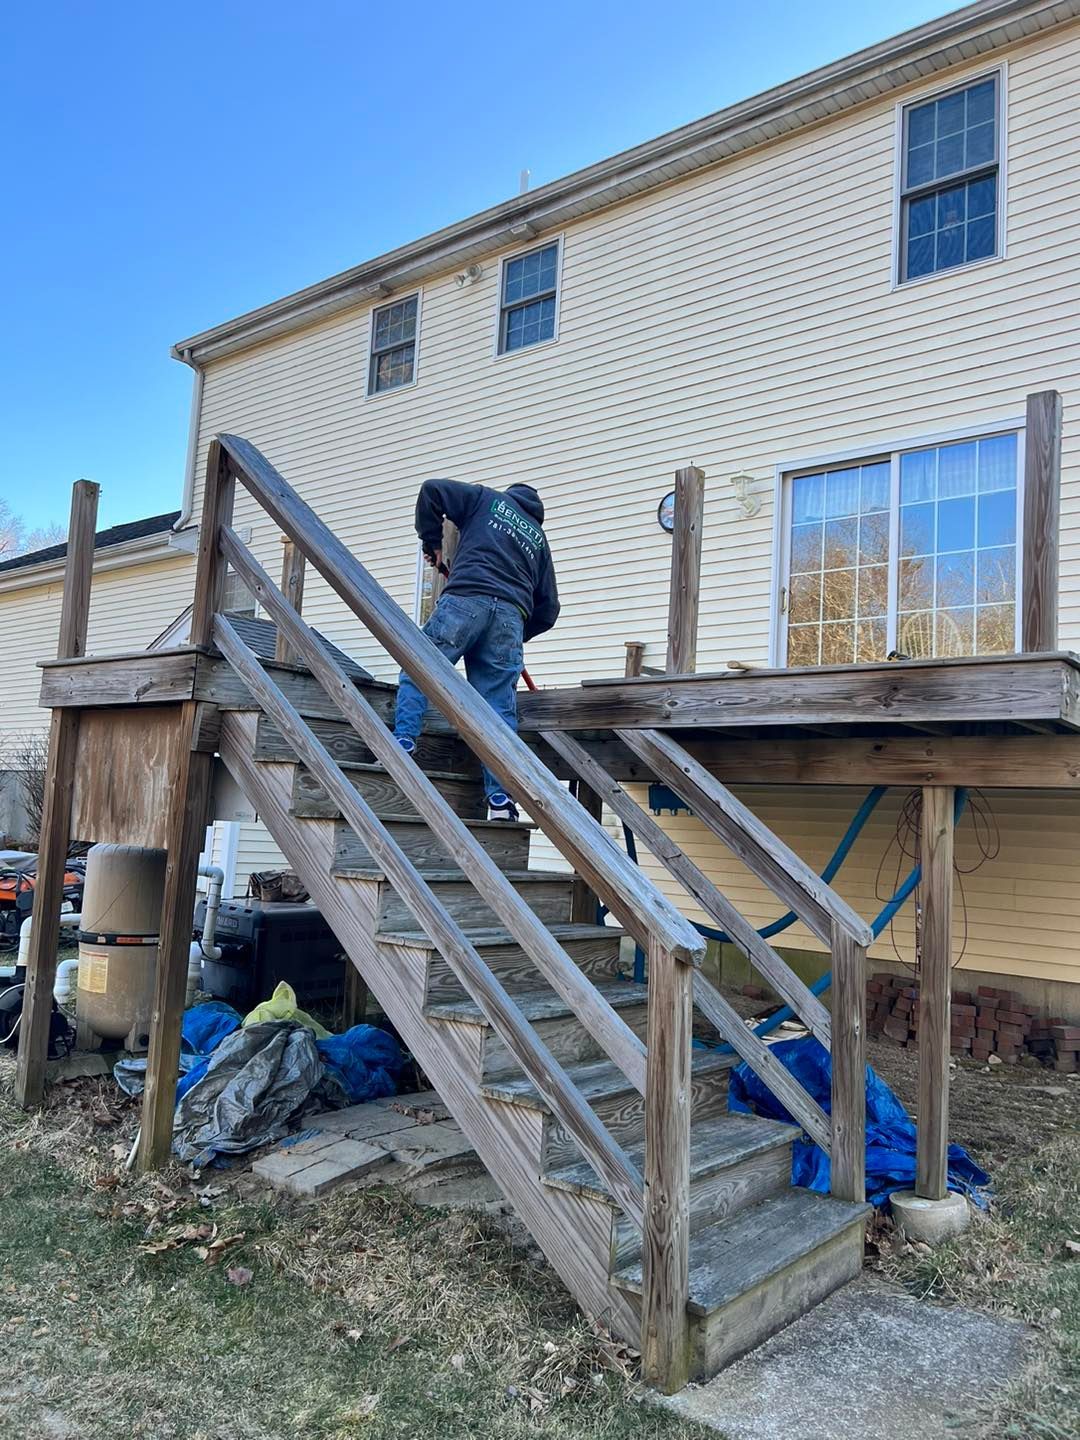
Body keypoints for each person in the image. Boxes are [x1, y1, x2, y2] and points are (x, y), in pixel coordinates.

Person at [393, 478, 560, 820]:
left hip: (466, 599)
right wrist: (512, 635)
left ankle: (404, 741)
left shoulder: (485, 499)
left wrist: (432, 541)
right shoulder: (537, 539)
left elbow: (430, 491)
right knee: (497, 710)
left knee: (421, 667)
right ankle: (500, 801)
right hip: (510, 618)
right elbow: (549, 609)